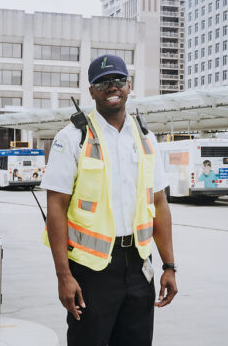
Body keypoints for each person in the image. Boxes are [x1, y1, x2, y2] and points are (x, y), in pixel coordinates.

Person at [40, 54, 178, 346]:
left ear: (128, 85)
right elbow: (56, 207)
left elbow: (160, 203)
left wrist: (169, 266)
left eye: (118, 80)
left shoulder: (146, 138)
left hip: (140, 265)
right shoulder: (72, 137)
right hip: (90, 270)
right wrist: (63, 275)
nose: (111, 87)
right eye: (102, 82)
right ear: (91, 91)